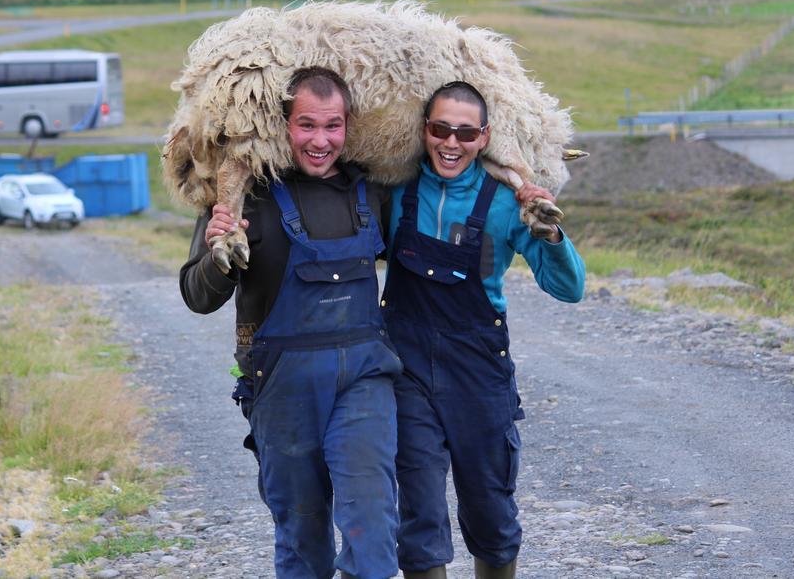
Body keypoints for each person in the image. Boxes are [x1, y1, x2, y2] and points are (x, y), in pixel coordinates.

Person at [179, 67, 402, 579]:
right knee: (301, 530)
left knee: (371, 516)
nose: (321, 141)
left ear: (350, 127)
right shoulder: (242, 198)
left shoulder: (372, 194)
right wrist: (218, 254)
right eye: (306, 125)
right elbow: (196, 297)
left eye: (333, 125)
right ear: (282, 125)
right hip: (281, 389)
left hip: (365, 382)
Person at [382, 82, 586, 579]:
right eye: (440, 129)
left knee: (491, 516)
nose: (451, 143)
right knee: (421, 517)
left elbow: (570, 287)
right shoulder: (392, 191)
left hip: (478, 370)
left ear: (485, 136)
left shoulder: (505, 202)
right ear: (424, 130)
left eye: (466, 132)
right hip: (406, 371)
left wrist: (551, 233)